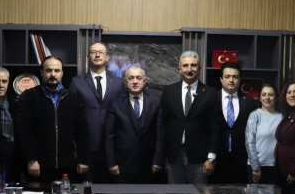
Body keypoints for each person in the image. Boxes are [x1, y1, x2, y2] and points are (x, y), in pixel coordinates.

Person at [15, 56, 91, 187]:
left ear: (62, 73)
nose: (53, 74)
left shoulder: (72, 98)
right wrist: (30, 160)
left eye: (57, 70)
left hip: (67, 166)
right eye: (49, 70)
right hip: (38, 166)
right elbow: (22, 132)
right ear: (42, 72)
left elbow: (83, 131)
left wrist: (83, 159)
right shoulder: (29, 96)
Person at [160, 51, 222, 185]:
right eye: (185, 66)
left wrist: (211, 158)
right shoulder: (169, 91)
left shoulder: (210, 93)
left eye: (193, 65)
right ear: (179, 69)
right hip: (174, 156)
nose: (189, 69)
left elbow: (215, 128)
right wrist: (161, 157)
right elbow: (162, 125)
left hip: (200, 158)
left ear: (199, 68)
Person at [69, 42, 124, 183]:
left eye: (101, 52)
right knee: (86, 188)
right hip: (87, 146)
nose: (97, 55)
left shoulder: (118, 83)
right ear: (88, 57)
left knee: (111, 190)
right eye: (93, 52)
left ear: (107, 57)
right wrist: (77, 151)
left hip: (113, 146)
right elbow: (70, 117)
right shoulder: (77, 82)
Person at [104, 66, 165, 184]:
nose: (135, 81)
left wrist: (158, 160)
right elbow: (109, 135)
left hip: (149, 165)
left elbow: (161, 134)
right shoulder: (115, 104)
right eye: (131, 78)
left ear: (144, 81)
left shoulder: (155, 102)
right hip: (122, 165)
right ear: (125, 81)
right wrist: (111, 163)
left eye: (139, 78)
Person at [212, 62, 257, 184]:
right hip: (216, 159)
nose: (231, 80)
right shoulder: (211, 98)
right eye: (227, 76)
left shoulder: (248, 101)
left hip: (240, 160)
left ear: (240, 80)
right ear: (221, 79)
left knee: (239, 193)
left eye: (235, 77)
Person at [245, 83, 283, 184]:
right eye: (264, 94)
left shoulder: (282, 116)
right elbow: (249, 142)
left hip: (277, 166)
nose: (267, 98)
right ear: (260, 98)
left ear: (276, 97)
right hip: (257, 167)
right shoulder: (255, 115)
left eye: (271, 94)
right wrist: (256, 167)